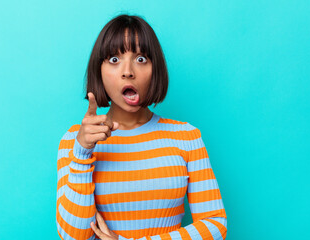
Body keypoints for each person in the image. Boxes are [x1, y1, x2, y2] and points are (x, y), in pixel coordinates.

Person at [56, 14, 227, 240]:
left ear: (155, 69)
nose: (128, 71)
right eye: (114, 60)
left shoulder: (187, 137)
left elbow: (215, 225)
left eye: (141, 59)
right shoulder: (74, 141)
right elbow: (74, 237)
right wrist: (82, 153)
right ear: (99, 71)